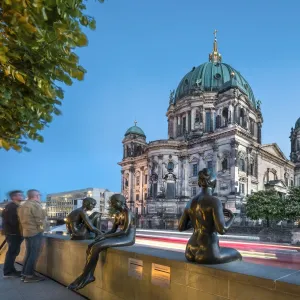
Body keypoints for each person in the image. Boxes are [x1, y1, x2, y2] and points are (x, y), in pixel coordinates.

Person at [68, 194, 136, 290]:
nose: (112, 205)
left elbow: (125, 231)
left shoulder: (127, 212)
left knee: (97, 246)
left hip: (127, 238)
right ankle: (87, 274)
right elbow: (113, 230)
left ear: (120, 202)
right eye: (111, 203)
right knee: (91, 245)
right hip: (120, 237)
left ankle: (87, 276)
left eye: (113, 202)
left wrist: (105, 236)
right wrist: (102, 235)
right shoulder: (117, 214)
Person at [178, 168, 242, 264]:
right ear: (214, 184)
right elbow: (222, 230)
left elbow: (181, 227)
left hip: (190, 249)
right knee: (236, 254)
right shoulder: (214, 201)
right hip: (207, 250)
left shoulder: (190, 202)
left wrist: (196, 220)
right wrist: (232, 217)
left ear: (199, 183)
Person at [18, 189, 47, 283]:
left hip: (26, 232)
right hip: (35, 232)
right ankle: (29, 276)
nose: (40, 197)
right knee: (33, 254)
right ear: (36, 196)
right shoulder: (35, 205)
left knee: (29, 253)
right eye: (39, 195)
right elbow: (40, 220)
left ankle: (24, 274)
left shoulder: (23, 205)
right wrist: (42, 230)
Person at [2, 190, 24, 278]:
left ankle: (11, 270)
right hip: (13, 233)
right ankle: (7, 272)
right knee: (12, 252)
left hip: (12, 233)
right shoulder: (12, 207)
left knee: (13, 252)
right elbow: (13, 221)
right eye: (19, 195)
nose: (22, 196)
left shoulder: (11, 206)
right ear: (14, 197)